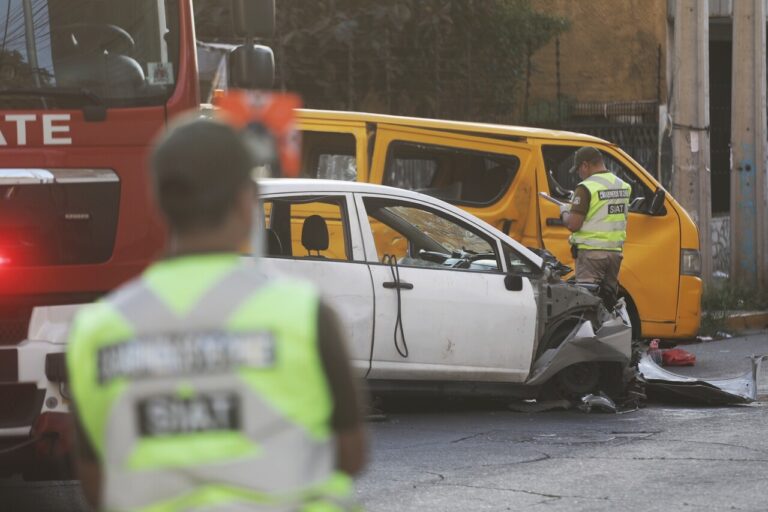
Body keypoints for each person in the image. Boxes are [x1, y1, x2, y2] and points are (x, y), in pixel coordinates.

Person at [66, 116, 366, 511]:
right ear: (246, 201)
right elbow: (350, 454)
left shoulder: (97, 332)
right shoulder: (305, 317)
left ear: (159, 203)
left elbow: (95, 481)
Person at [559, 146, 631, 309]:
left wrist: (564, 212)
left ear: (585, 165)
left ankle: (591, 334)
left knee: (587, 304)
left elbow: (573, 224)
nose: (579, 174)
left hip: (591, 255)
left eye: (578, 169)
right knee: (608, 303)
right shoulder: (622, 186)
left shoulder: (586, 188)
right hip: (614, 255)